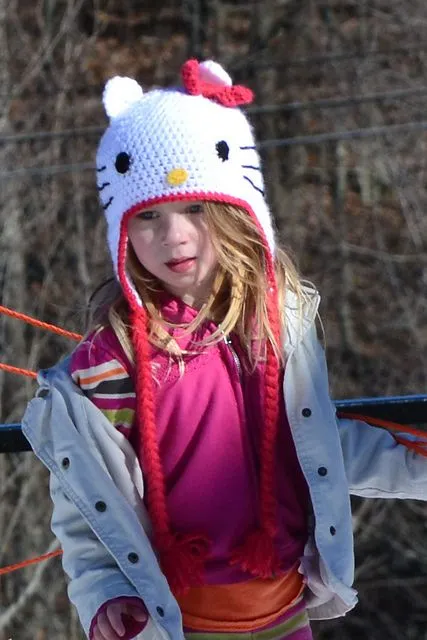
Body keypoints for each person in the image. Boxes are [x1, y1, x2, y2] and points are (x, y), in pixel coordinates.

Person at [22, 59, 427, 640]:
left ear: (237, 211)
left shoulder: (277, 326)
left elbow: (314, 450)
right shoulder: (109, 363)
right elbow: (86, 500)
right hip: (176, 622)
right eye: (149, 217)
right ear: (121, 233)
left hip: (285, 611)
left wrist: (411, 462)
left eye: (195, 209)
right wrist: (103, 593)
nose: (174, 237)